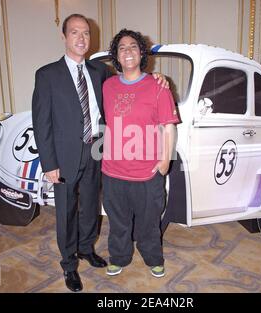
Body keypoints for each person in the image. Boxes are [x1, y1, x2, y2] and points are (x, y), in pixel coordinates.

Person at [32, 14, 168, 292]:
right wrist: (49, 163)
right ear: (64, 37)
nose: (81, 38)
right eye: (74, 33)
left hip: (97, 151)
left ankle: (86, 248)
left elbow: (130, 82)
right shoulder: (47, 75)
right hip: (64, 157)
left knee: (91, 207)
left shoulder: (99, 72)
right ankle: (69, 264)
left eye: (85, 33)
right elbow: (41, 122)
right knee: (67, 212)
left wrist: (157, 77)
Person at [101, 29, 180, 278]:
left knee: (149, 223)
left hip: (147, 172)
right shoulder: (108, 86)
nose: (128, 51)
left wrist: (165, 160)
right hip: (113, 170)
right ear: (116, 55)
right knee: (118, 221)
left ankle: (153, 258)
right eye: (122, 47)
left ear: (142, 52)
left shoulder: (158, 86)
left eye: (133, 46)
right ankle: (119, 257)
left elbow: (168, 126)